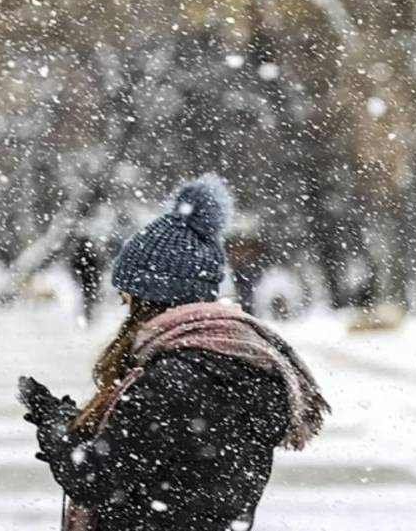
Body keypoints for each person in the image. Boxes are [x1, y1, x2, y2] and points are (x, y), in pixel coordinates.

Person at [18, 174, 329, 531]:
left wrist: (55, 426)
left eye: (128, 296)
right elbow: (159, 456)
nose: (125, 304)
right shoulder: (239, 363)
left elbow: (95, 478)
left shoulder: (172, 380)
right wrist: (74, 424)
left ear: (151, 297)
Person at [70, 235, 103, 324]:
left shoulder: (79, 253)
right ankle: (90, 316)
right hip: (90, 279)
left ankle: (89, 315)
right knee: (91, 297)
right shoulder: (91, 253)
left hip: (85, 279)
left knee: (87, 298)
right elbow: (98, 264)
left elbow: (74, 265)